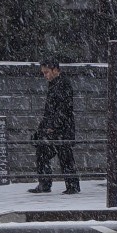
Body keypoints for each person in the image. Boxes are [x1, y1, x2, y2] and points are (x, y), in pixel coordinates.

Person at [31, 56, 79, 194]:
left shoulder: (63, 84)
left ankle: (69, 185)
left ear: (55, 70)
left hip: (61, 129)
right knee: (46, 153)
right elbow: (51, 110)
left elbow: (64, 109)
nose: (45, 75)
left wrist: (53, 126)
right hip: (55, 128)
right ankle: (50, 184)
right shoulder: (55, 84)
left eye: (46, 72)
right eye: (43, 73)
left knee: (64, 157)